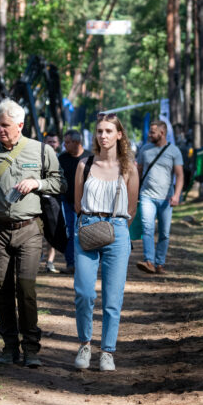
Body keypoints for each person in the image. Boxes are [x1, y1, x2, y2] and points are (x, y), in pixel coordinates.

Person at [0, 99, 64, 367]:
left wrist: (37, 182)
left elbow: (59, 182)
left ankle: (31, 347)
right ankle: (10, 346)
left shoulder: (41, 151)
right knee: (2, 287)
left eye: (6, 125)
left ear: (20, 125)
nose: (1, 130)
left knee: (26, 287)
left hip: (30, 229)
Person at [73, 113, 138, 372]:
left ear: (119, 135)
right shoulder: (84, 165)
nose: (103, 136)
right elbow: (77, 202)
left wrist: (117, 228)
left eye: (109, 131)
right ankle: (85, 344)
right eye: (99, 131)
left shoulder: (129, 167)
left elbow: (132, 205)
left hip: (118, 230)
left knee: (113, 297)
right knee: (84, 293)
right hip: (87, 228)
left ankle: (107, 351)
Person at [135, 119, 184, 274]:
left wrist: (176, 195)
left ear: (162, 133)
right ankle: (149, 261)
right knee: (147, 229)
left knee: (164, 233)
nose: (149, 135)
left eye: (152, 132)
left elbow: (179, 175)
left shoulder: (174, 151)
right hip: (146, 195)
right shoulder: (144, 149)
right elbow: (139, 171)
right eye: (150, 131)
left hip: (166, 198)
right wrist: (135, 191)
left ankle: (160, 263)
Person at [55, 129, 90, 275]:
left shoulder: (91, 158)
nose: (64, 145)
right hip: (67, 202)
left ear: (77, 142)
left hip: (87, 204)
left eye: (68, 142)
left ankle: (85, 263)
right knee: (70, 232)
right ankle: (71, 264)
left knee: (83, 233)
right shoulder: (62, 159)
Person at [40, 131, 63, 273]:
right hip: (38, 199)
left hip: (54, 200)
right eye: (49, 142)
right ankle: (36, 259)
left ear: (58, 144)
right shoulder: (38, 157)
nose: (52, 144)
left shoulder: (61, 158)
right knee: (36, 233)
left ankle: (50, 262)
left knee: (52, 233)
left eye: (54, 142)